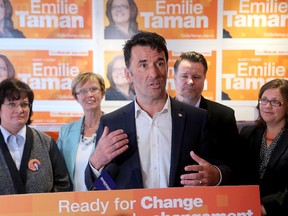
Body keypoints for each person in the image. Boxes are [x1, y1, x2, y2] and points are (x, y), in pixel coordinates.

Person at [85, 31, 231, 190]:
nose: (154, 74)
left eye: (160, 63)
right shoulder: (112, 123)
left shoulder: (197, 118)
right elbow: (101, 188)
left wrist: (215, 176)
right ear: (128, 75)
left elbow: (227, 169)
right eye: (143, 65)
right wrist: (96, 163)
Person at [173, 51, 239, 183]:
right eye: (184, 76)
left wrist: (217, 175)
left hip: (210, 197)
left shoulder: (224, 116)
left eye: (196, 77)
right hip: (166, 198)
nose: (190, 81)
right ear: (174, 78)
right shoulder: (159, 113)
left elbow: (235, 165)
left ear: (204, 79)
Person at [0, 78, 70, 195]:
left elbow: (63, 184)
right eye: (12, 104)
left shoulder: (46, 142)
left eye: (24, 104)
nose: (19, 110)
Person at [239, 79, 288, 215]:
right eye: (264, 100)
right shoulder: (247, 134)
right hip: (246, 209)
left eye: (275, 102)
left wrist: (265, 208)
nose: (267, 106)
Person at [57, 72, 106, 191]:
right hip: (72, 204)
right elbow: (58, 171)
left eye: (94, 89)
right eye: (83, 91)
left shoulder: (113, 127)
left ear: (102, 92)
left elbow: (119, 170)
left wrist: (100, 194)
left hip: (103, 202)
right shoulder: (66, 131)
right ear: (76, 97)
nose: (89, 95)